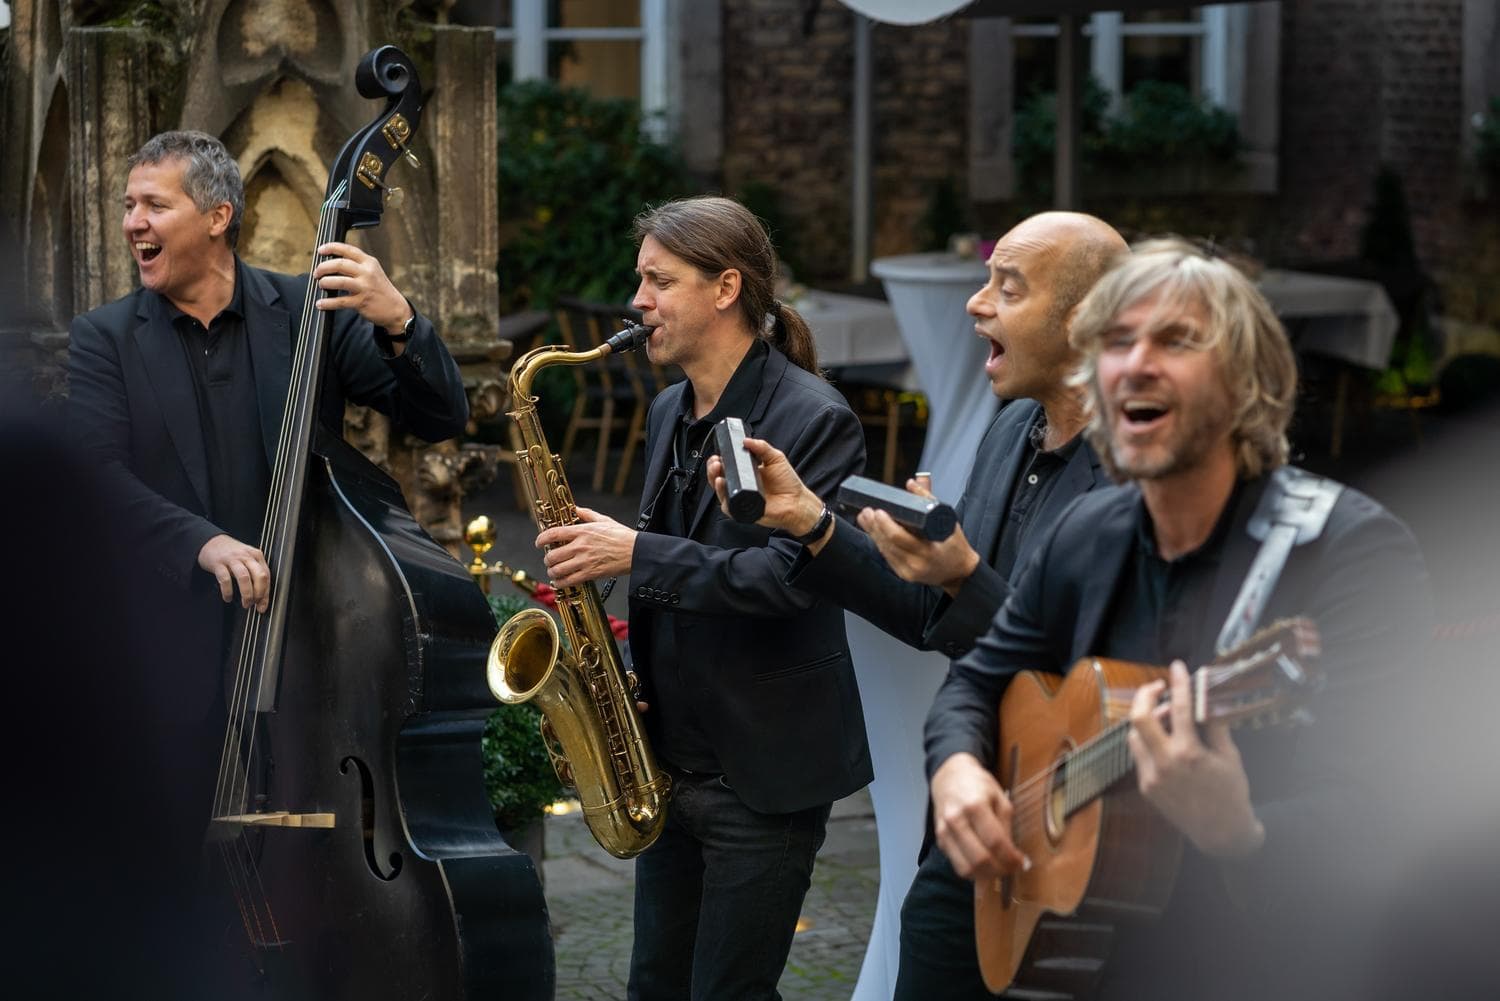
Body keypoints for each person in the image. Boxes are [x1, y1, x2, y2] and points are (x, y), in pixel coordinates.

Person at [913, 239, 1432, 1000]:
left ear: (1246, 384)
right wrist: (957, 767)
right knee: (935, 903)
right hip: (1046, 912)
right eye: (1117, 342)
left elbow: (1389, 805)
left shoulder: (1349, 552)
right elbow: (978, 679)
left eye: (1176, 340)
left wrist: (1242, 833)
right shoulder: (1090, 530)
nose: (1136, 363)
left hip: (1236, 947)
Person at [707, 211, 1126, 990]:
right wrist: (811, 521)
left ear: (1086, 320)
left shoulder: (1133, 473)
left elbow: (1081, 672)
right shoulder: (1010, 431)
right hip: (975, 812)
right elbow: (942, 621)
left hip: (1079, 824)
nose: (975, 304)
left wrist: (965, 573)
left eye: (1008, 287)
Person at [64, 130, 469, 930]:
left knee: (319, 878)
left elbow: (439, 416)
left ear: (218, 215)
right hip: (167, 653)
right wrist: (198, 542)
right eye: (127, 206)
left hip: (312, 652)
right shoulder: (105, 339)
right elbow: (95, 478)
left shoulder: (307, 315)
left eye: (153, 204)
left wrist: (399, 321)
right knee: (168, 882)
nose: (132, 222)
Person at [534, 195, 871, 1001]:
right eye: (638, 280)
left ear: (726, 288)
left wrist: (636, 550)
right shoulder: (669, 406)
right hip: (670, 763)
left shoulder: (815, 416)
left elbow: (788, 578)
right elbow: (683, 568)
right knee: (655, 984)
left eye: (659, 280)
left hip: (765, 771)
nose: (637, 301)